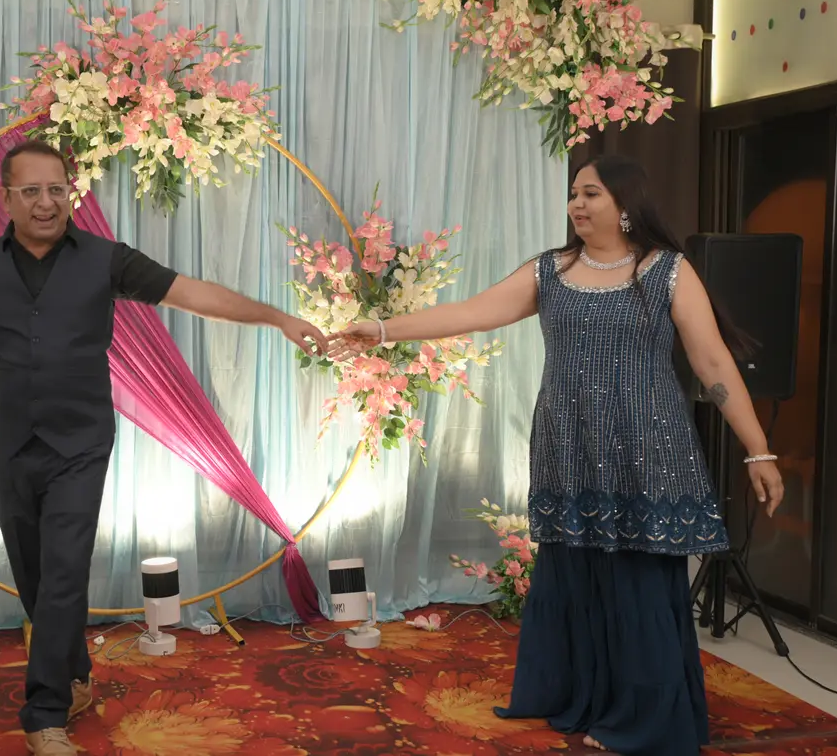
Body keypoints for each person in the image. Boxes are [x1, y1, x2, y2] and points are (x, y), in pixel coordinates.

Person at [327, 154, 784, 756]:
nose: (577, 204)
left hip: (648, 449)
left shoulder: (667, 270)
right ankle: (579, 694)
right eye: (574, 193)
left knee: (639, 583)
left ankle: (644, 720)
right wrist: (384, 329)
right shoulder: (551, 270)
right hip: (569, 446)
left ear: (626, 204)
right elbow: (471, 312)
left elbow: (713, 361)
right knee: (577, 575)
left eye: (591, 193)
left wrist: (758, 451)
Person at [0, 139, 327, 756]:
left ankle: (44, 714)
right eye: (31, 191)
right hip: (7, 444)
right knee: (37, 576)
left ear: (69, 194)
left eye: (57, 190)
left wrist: (277, 318)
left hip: (80, 444)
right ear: (7, 198)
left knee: (65, 570)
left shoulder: (107, 259)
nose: (46, 203)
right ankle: (73, 675)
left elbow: (192, 293)